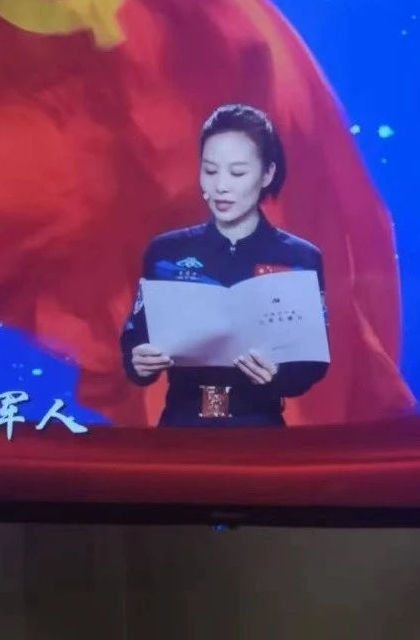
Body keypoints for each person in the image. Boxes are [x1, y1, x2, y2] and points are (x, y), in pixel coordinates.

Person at [120, 103, 329, 426]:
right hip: (181, 426)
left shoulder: (300, 259)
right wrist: (139, 363)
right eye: (210, 170)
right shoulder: (166, 252)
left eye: (237, 173)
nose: (220, 186)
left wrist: (278, 377)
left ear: (267, 173)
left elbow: (313, 360)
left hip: (259, 427)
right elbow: (136, 337)